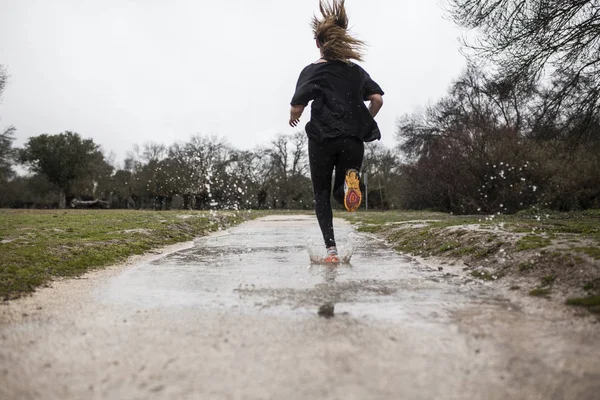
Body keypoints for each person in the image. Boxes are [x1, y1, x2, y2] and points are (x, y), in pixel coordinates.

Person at [289, 0, 384, 263]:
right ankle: (351, 180)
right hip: (352, 140)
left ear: (318, 43)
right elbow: (377, 99)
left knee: (321, 194)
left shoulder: (312, 71)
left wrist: (292, 117)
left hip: (322, 138)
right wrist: (362, 120)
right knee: (341, 192)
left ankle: (331, 251)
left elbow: (297, 105)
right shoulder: (356, 71)